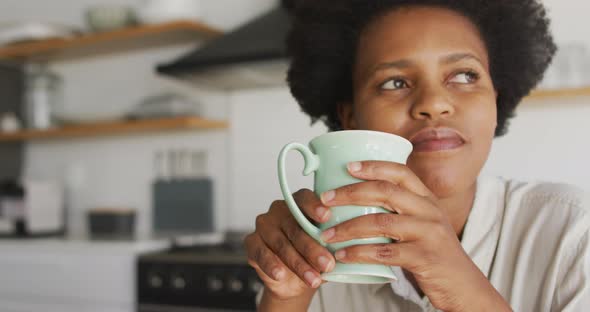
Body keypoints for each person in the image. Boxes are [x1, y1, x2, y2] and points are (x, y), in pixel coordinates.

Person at [244, 0, 589, 311]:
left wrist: (465, 290)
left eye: (465, 75)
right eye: (394, 82)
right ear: (350, 118)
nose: (433, 104)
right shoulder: (320, 256)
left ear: (495, 102)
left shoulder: (574, 234)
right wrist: (286, 299)